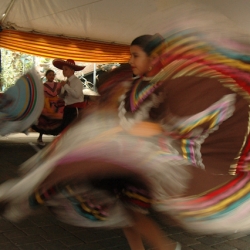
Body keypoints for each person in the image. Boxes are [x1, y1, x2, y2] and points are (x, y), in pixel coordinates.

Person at [1, 31, 250, 250]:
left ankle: (168, 247)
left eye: (135, 55)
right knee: (128, 214)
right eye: (130, 55)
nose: (130, 60)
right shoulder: (129, 86)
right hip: (124, 156)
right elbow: (112, 113)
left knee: (131, 212)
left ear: (153, 58)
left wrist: (125, 135)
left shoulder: (163, 87)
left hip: (144, 158)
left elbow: (166, 124)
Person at [52, 59, 85, 134]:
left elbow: (76, 95)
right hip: (68, 109)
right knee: (66, 131)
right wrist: (59, 93)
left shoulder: (77, 82)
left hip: (75, 109)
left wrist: (66, 86)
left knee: (74, 132)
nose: (63, 71)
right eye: (63, 69)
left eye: (66, 69)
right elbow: (64, 96)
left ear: (72, 70)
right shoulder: (66, 82)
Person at [32, 69, 64, 146]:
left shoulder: (58, 84)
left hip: (57, 104)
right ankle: (40, 137)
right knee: (44, 120)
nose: (52, 76)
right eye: (50, 75)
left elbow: (61, 93)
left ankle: (58, 136)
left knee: (59, 119)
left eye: (53, 75)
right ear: (46, 76)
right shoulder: (43, 86)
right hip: (47, 104)